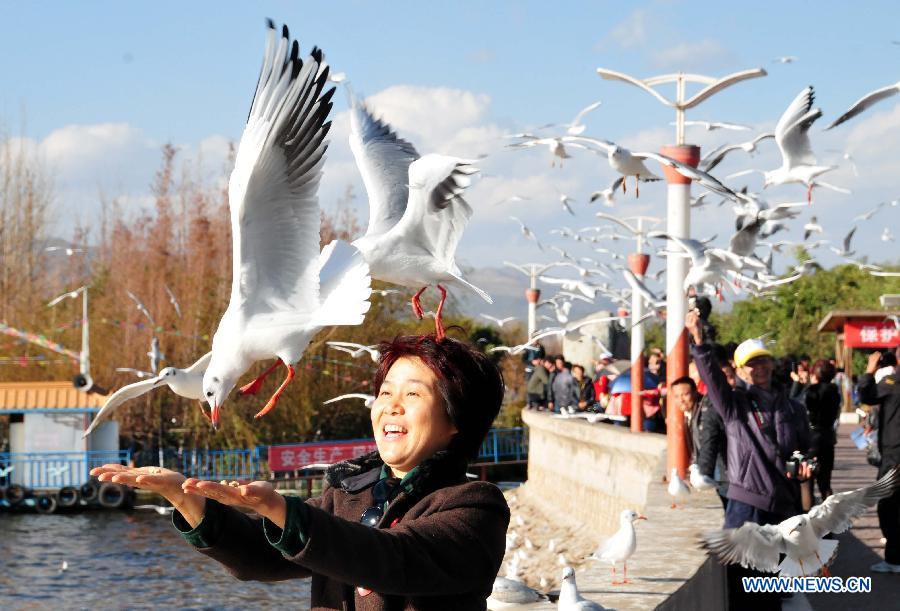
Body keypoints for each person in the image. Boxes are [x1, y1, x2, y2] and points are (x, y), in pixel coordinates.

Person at [92, 335, 510, 610]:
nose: (390, 406)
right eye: (385, 393)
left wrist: (287, 512)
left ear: (458, 420)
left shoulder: (473, 508)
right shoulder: (349, 495)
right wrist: (187, 500)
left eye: (412, 394)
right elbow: (261, 557)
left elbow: (391, 557)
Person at [686, 311, 812, 610]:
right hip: (746, 507)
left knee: (771, 590)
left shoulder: (793, 408)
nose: (759, 367)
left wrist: (806, 467)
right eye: (751, 363)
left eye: (763, 360)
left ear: (772, 363)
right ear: (740, 370)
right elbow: (712, 377)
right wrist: (699, 341)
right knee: (744, 589)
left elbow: (805, 449)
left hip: (783, 505)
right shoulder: (734, 406)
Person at [858, 348, 900, 573]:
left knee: (888, 506)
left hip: (894, 454)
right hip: (893, 452)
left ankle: (894, 559)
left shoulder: (893, 381)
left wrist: (869, 370)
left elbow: (866, 395)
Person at [803, 359, 841, 500]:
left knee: (808, 479)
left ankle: (807, 511)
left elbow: (805, 406)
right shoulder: (834, 391)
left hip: (812, 438)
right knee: (825, 482)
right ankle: (829, 511)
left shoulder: (812, 391)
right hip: (828, 437)